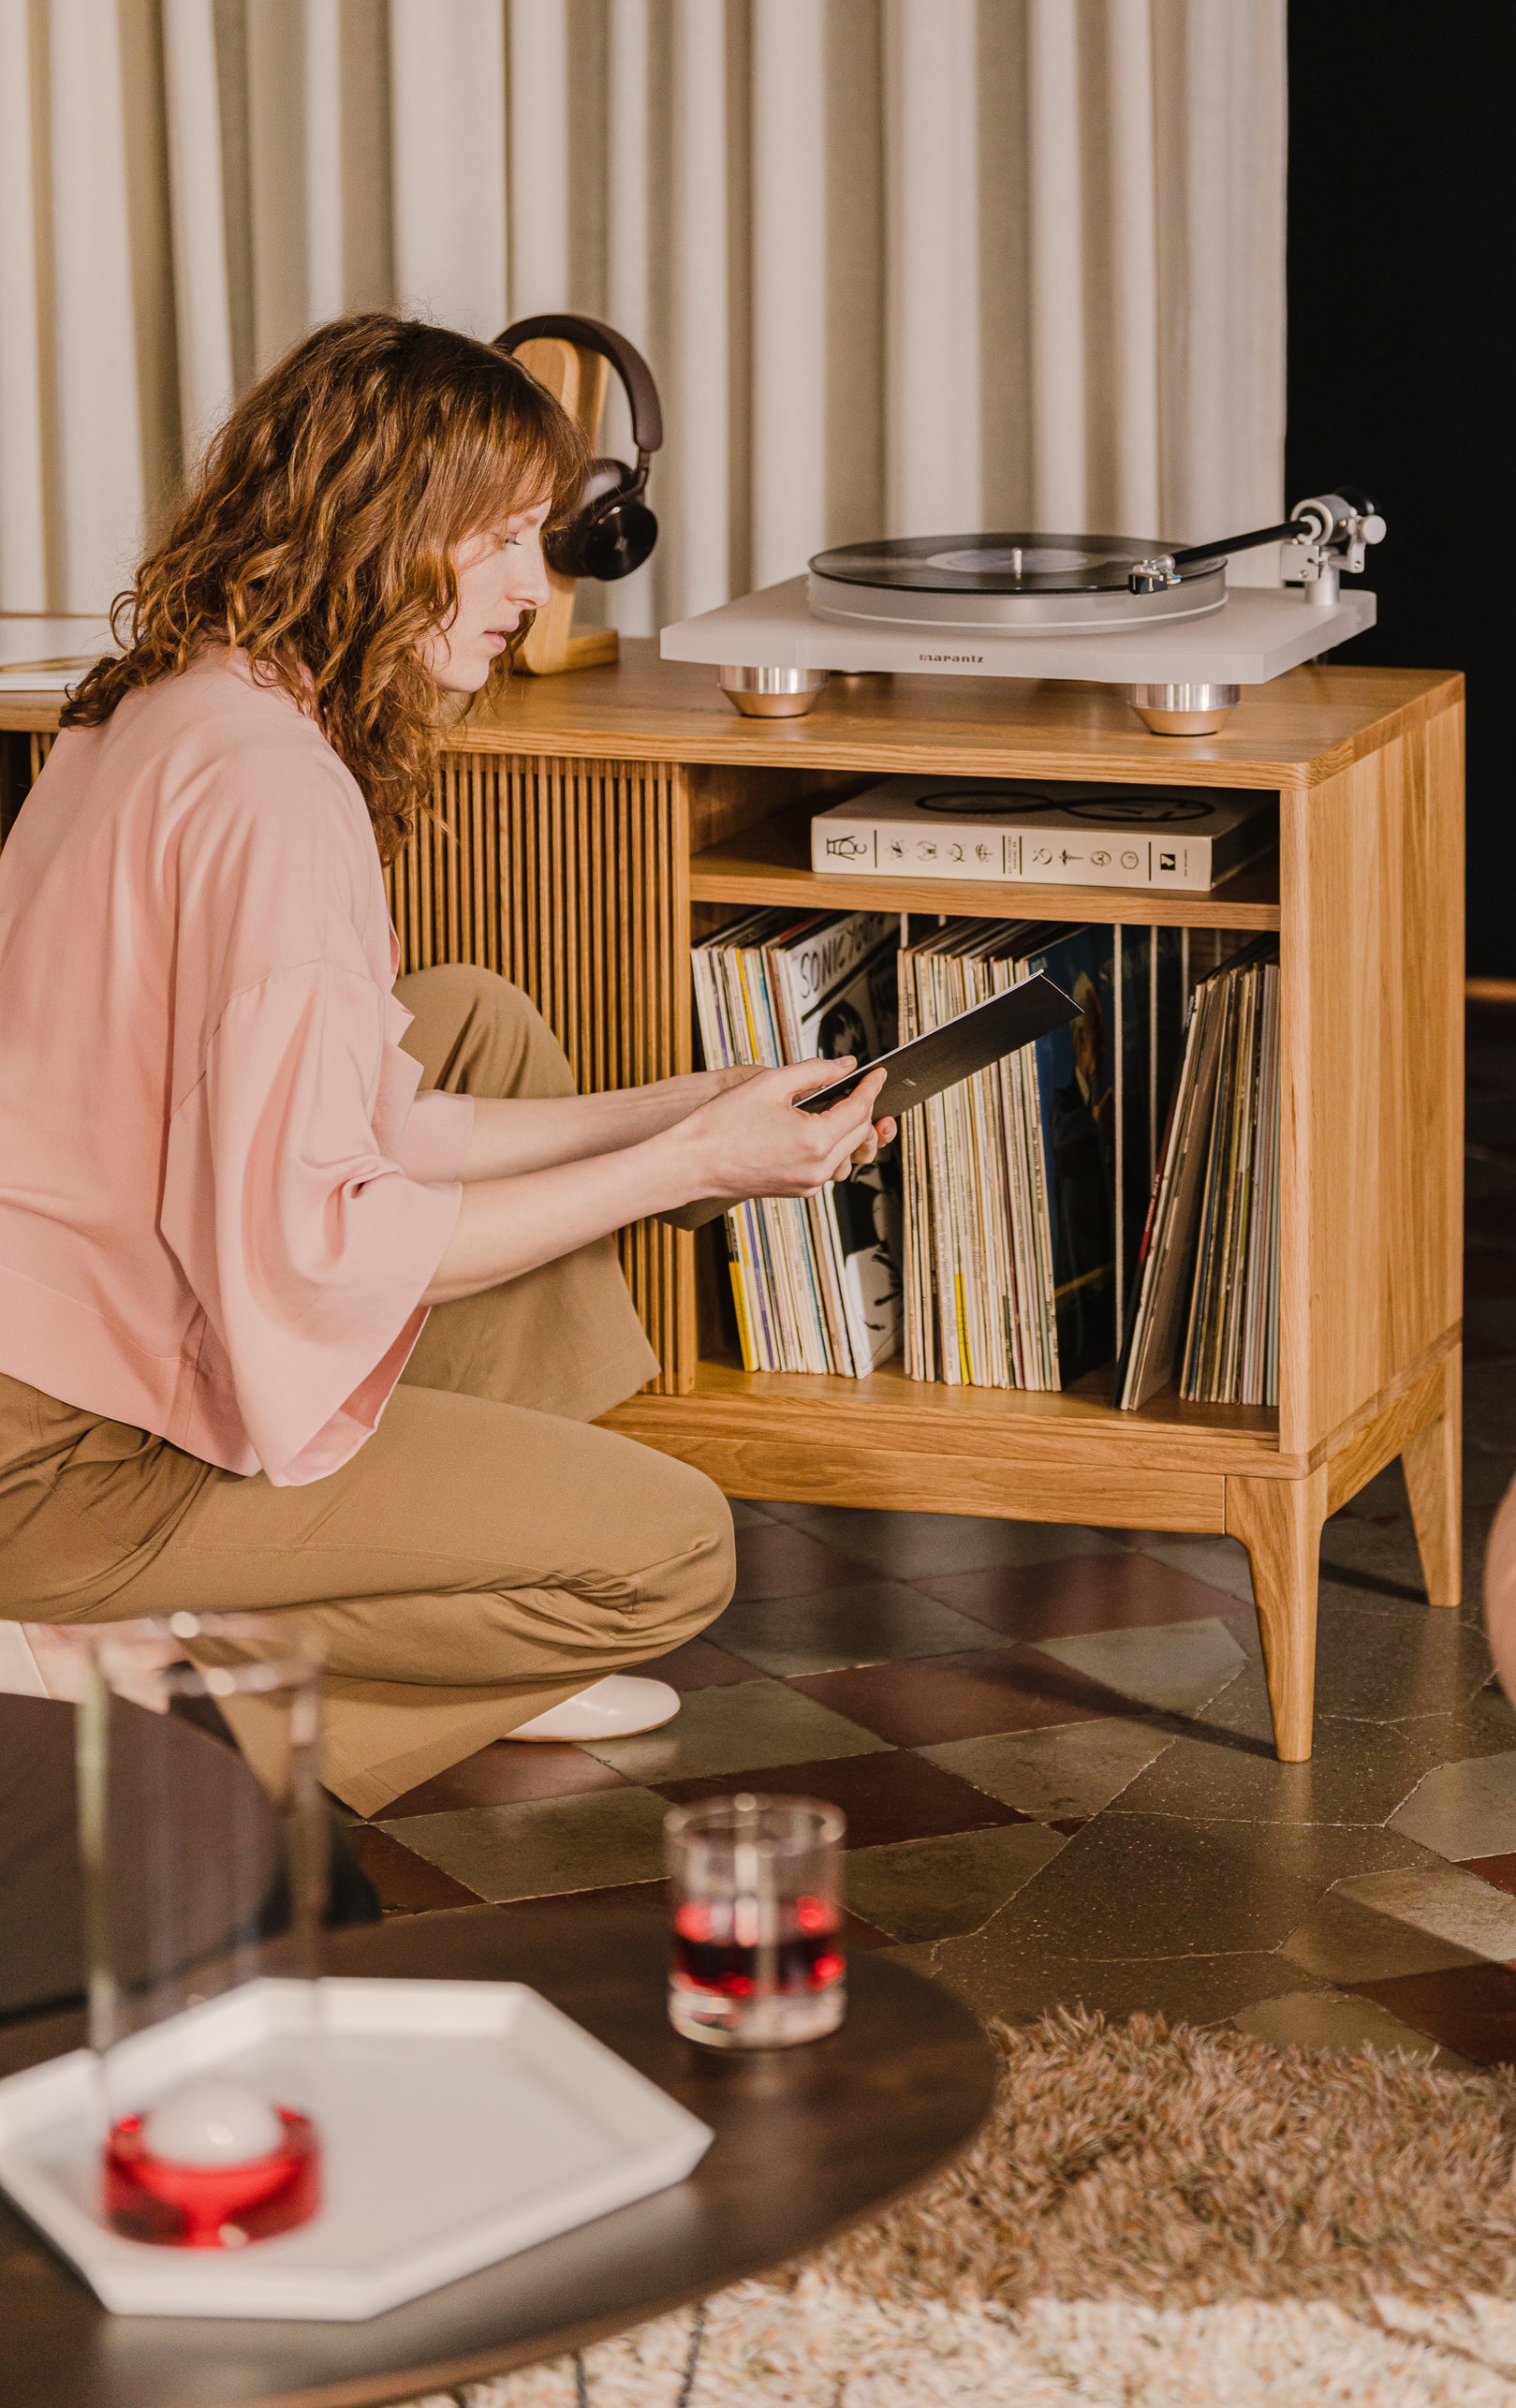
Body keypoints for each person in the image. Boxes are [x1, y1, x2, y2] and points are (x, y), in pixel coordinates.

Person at [0, 315, 890, 1818]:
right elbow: (319, 1241)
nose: (533, 591)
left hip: (57, 1343)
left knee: (470, 1012)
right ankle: (137, 1699)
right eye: (497, 543)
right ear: (375, 534)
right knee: (666, 1553)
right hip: (66, 1462)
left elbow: (365, 1122)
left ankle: (449, 1625)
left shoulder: (172, 704)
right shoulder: (276, 795)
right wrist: (693, 1170)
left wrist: (687, 1104)